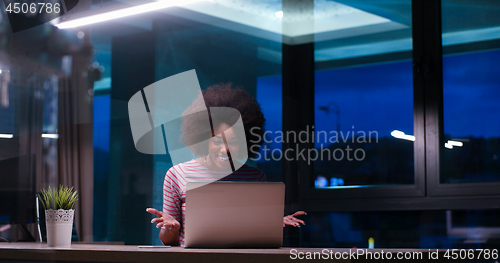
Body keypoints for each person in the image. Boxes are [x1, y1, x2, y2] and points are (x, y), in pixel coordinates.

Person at [147, 83, 305, 246]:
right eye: (217, 141)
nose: (225, 149)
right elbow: (167, 241)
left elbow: (255, 233)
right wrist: (171, 229)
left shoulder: (255, 177)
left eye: (234, 142)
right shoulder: (177, 174)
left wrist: (271, 225)